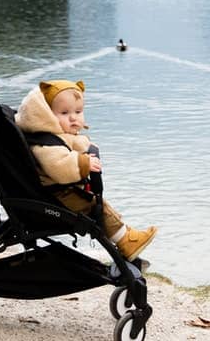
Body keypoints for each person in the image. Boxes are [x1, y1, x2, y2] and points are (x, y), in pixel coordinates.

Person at [15, 79, 157, 261]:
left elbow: (69, 147)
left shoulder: (54, 137)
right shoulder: (45, 143)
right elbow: (59, 166)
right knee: (96, 206)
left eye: (78, 112)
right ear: (45, 115)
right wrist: (83, 163)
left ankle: (123, 236)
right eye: (64, 113)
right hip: (59, 197)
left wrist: (84, 149)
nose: (73, 118)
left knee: (100, 205)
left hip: (61, 194)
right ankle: (126, 240)